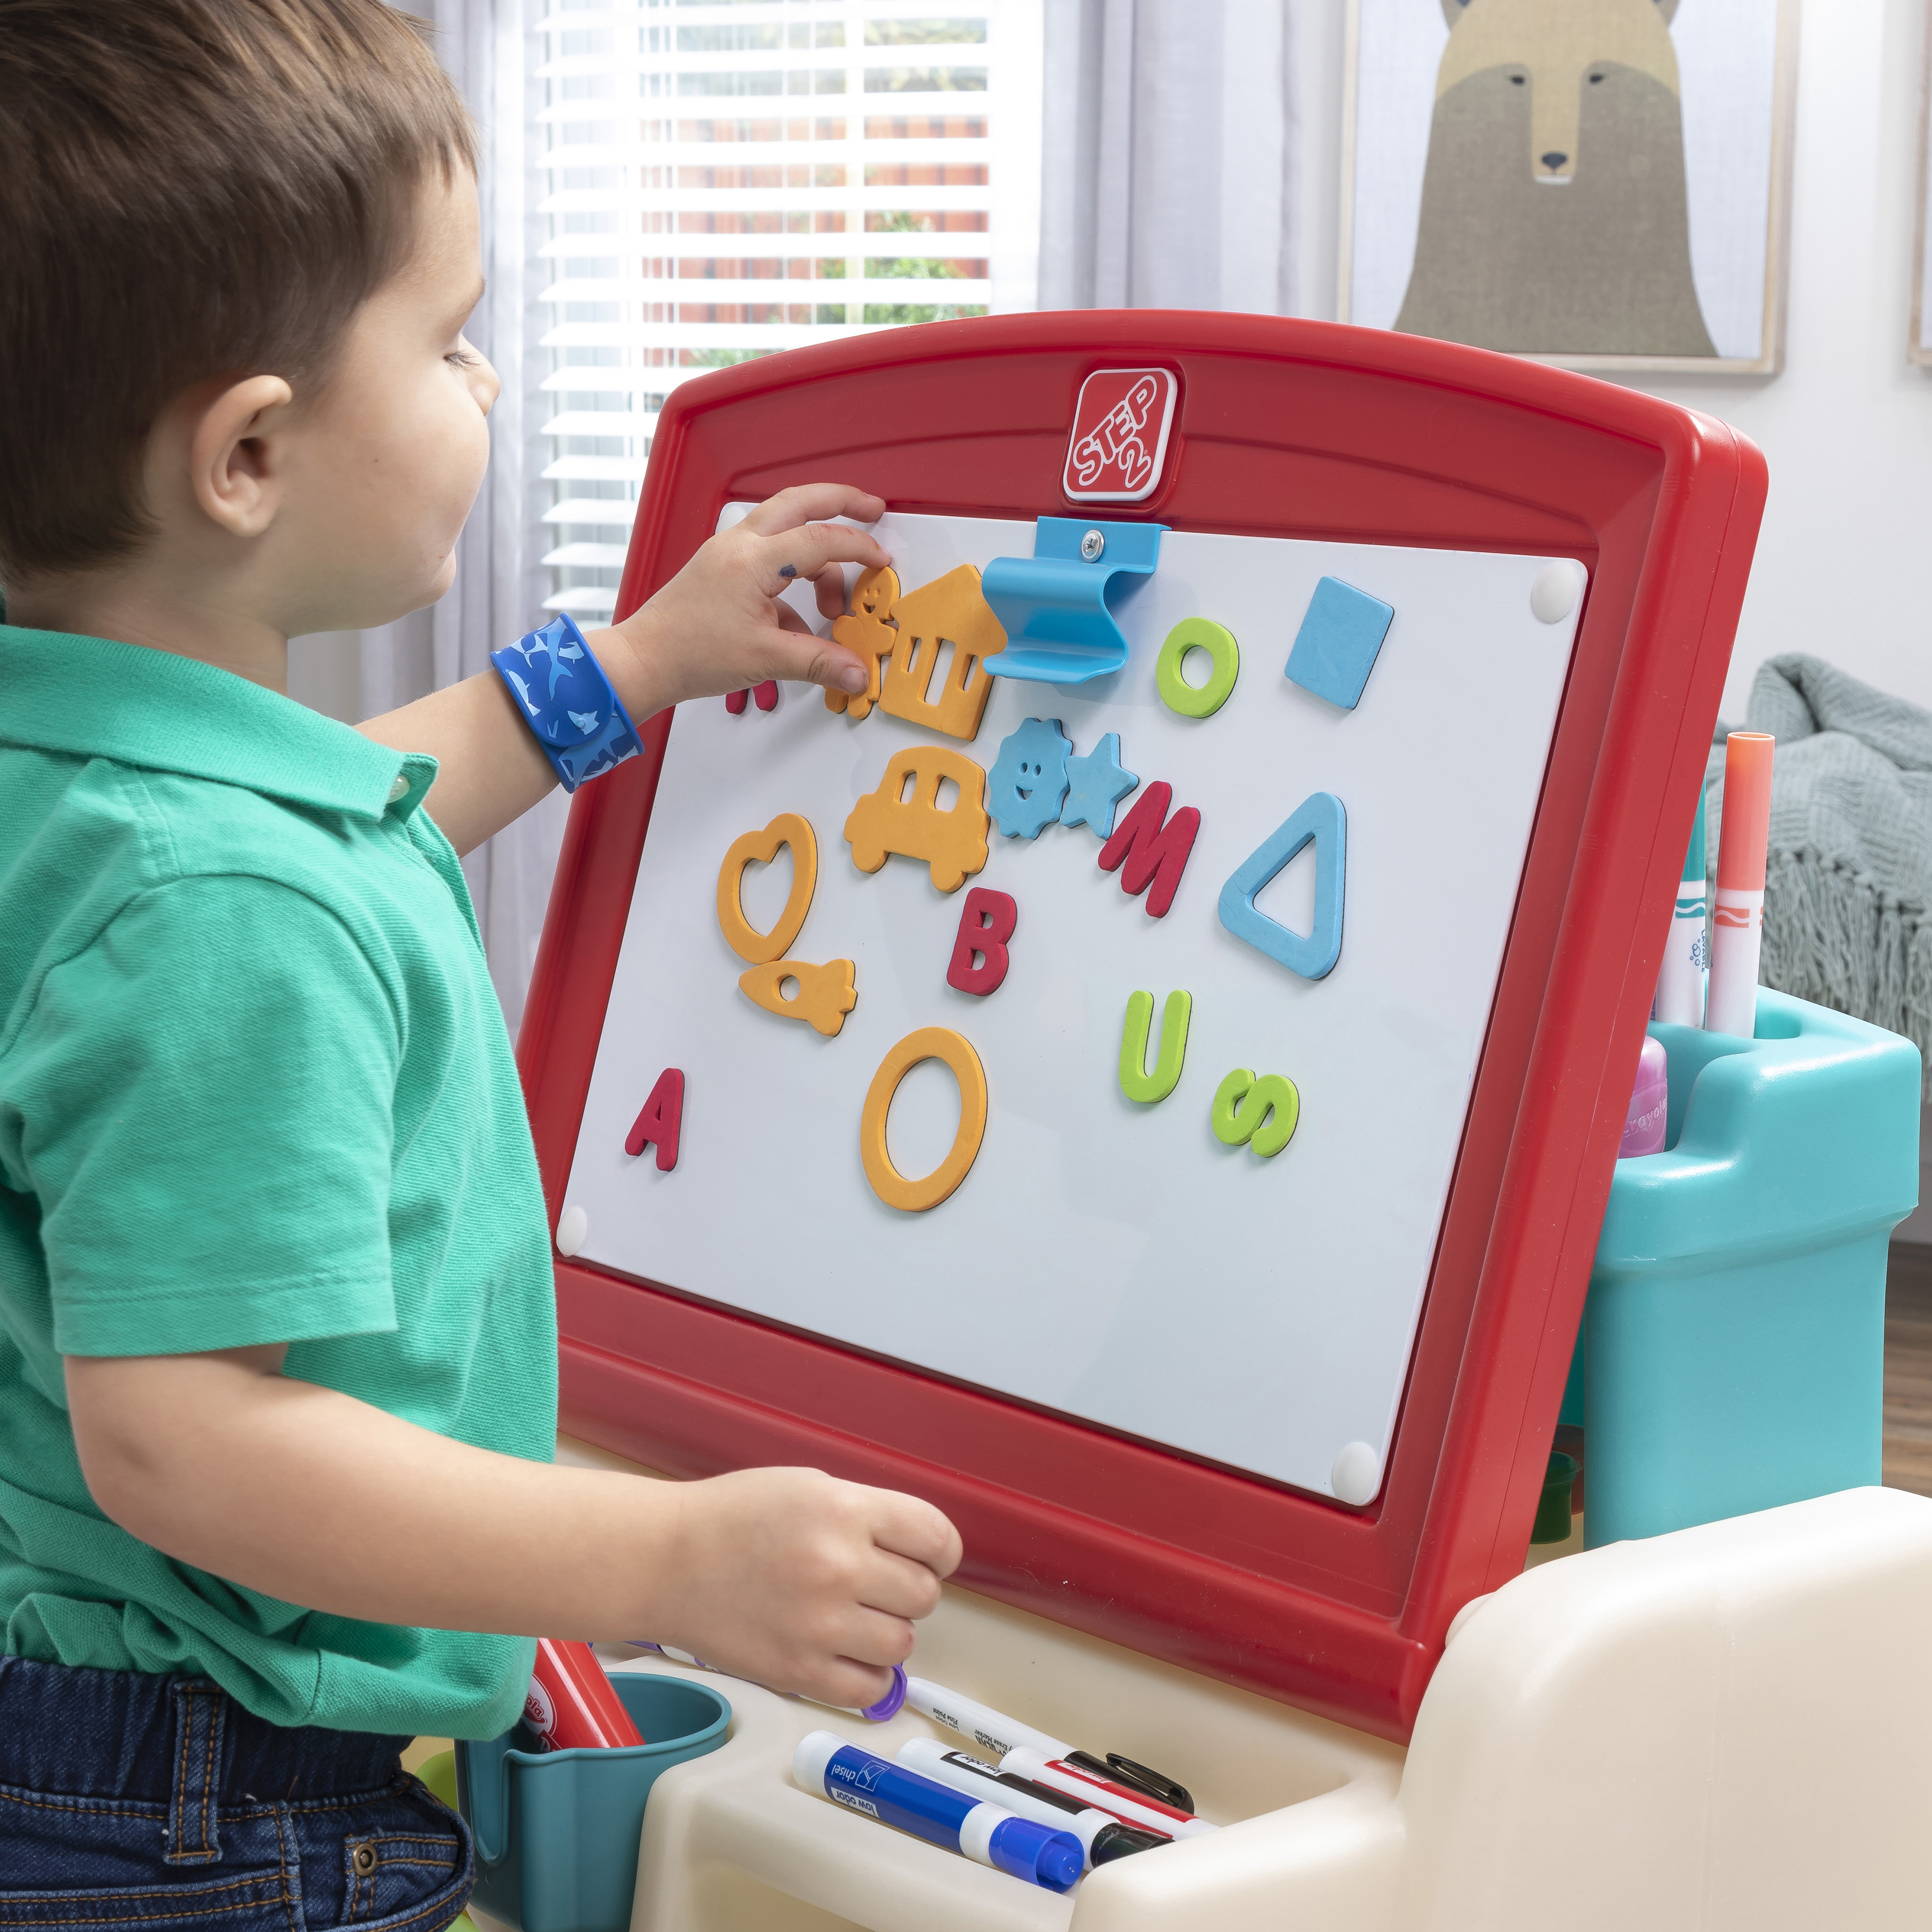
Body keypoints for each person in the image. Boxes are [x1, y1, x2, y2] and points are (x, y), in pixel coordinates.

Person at [0, 1, 960, 1917]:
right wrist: (660, 1560)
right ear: (250, 454)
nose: (493, 381)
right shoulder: (219, 904)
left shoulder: (103, 779)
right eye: (446, 341)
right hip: (205, 1800)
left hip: (107, 1736)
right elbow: (185, 1444)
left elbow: (351, 811)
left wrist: (631, 666)